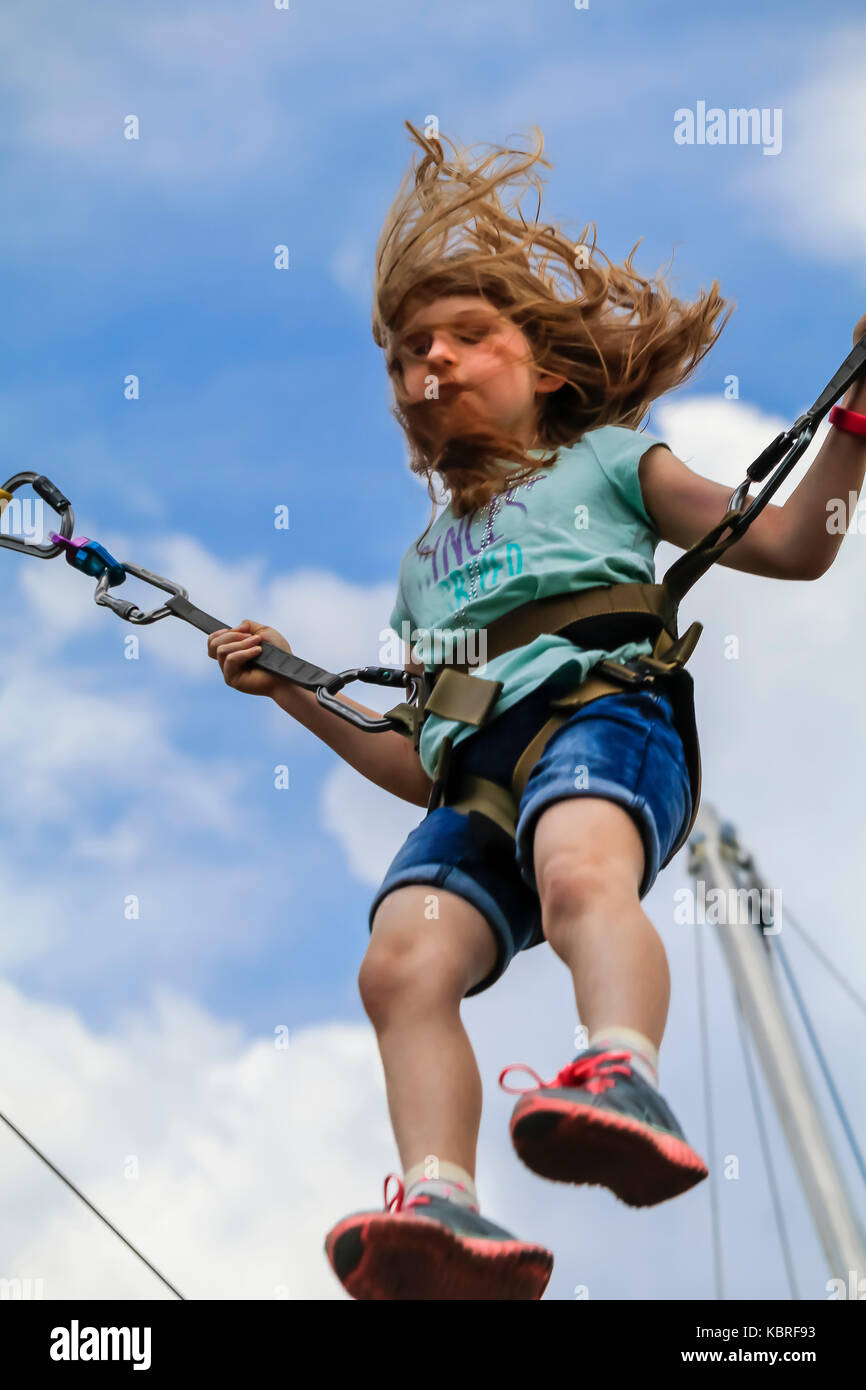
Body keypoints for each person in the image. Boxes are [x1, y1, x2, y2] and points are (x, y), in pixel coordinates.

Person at [207, 122, 866, 1300]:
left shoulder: (610, 461)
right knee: (397, 965)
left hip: (600, 716)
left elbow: (783, 543)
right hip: (473, 779)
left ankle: (619, 1068)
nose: (435, 362)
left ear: (546, 369)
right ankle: (440, 1201)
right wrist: (296, 689)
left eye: (467, 336)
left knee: (574, 873)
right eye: (414, 352)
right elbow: (417, 759)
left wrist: (848, 433)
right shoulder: (421, 572)